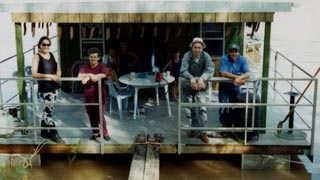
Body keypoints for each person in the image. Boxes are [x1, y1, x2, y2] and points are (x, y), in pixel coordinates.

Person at [180, 37, 214, 143]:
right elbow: (183, 70)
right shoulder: (187, 55)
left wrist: (202, 78)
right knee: (189, 108)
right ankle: (193, 129)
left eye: (199, 47)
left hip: (200, 86)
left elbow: (210, 69)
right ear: (192, 47)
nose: (197, 50)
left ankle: (203, 132)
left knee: (201, 108)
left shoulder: (206, 56)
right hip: (187, 86)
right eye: (195, 47)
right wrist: (191, 78)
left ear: (202, 48)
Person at [31, 36, 65, 144]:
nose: (46, 46)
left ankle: (44, 132)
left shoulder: (51, 55)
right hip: (45, 88)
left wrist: (57, 75)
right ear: (39, 45)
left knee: (47, 110)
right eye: (44, 44)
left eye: (48, 45)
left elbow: (58, 69)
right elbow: (34, 74)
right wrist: (50, 76)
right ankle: (54, 134)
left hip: (54, 88)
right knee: (48, 112)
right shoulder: (37, 57)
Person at [78, 47, 110, 141]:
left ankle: (105, 133)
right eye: (91, 57)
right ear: (89, 57)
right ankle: (96, 133)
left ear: (98, 58)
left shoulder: (102, 66)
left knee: (100, 115)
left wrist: (95, 76)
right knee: (91, 115)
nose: (93, 59)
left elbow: (104, 74)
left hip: (100, 94)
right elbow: (79, 76)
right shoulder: (85, 66)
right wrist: (90, 75)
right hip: (88, 95)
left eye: (95, 57)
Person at [218, 43, 251, 131]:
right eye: (232, 51)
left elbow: (248, 73)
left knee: (235, 105)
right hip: (224, 86)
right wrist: (237, 78)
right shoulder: (224, 59)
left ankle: (232, 125)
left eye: (236, 51)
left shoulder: (242, 59)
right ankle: (224, 126)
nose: (234, 54)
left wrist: (239, 78)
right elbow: (223, 73)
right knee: (223, 105)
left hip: (235, 86)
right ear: (228, 52)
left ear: (239, 52)